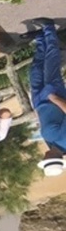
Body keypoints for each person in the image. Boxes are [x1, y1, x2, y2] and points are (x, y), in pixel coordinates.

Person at [28, 21, 66, 159]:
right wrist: (54, 98)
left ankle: (40, 40)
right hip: (54, 98)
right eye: (46, 160)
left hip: (39, 102)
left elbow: (46, 125)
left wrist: (37, 112)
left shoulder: (51, 145)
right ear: (53, 158)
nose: (43, 158)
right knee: (51, 64)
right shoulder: (64, 142)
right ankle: (49, 29)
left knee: (35, 71)